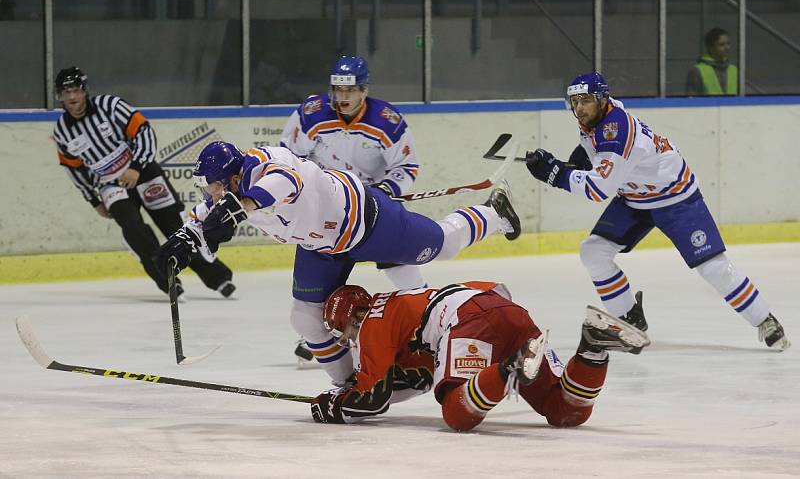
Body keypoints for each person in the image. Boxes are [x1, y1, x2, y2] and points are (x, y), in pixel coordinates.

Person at [156, 141, 522, 386]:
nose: (213, 195)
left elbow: (286, 182)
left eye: (217, 187)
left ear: (235, 177)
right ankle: (348, 384)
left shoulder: (270, 165)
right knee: (304, 318)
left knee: (443, 244)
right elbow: (204, 215)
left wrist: (243, 206)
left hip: (369, 223)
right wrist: (185, 239)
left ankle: (493, 214)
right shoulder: (229, 192)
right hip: (321, 247)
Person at [524, 71, 790, 351]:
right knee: (593, 251)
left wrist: (556, 174)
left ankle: (765, 319)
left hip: (676, 198)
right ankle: (630, 320)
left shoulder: (617, 130)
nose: (579, 108)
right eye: (574, 101)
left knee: (713, 268)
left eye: (586, 100)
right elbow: (595, 151)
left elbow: (599, 189)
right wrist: (573, 163)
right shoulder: (597, 115)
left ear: (602, 99)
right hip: (635, 196)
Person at [309, 281, 650, 430]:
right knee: (564, 412)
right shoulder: (397, 308)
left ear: (354, 317)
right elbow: (421, 376)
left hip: (468, 318)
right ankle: (593, 348)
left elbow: (373, 399)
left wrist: (333, 407)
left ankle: (510, 366)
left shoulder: (372, 323)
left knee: (457, 412)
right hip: (505, 311)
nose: (351, 341)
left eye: (346, 333)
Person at [280, 55, 427, 361]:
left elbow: (407, 166)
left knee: (398, 262)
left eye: (350, 90)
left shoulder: (387, 121)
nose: (343, 97)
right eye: (337, 89)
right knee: (324, 274)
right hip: (327, 209)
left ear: (364, 90)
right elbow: (287, 159)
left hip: (372, 208)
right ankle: (320, 337)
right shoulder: (310, 114)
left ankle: (427, 320)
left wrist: (386, 190)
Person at [51, 66, 235, 298]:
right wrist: (93, 200)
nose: (71, 97)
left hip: (143, 171)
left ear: (84, 90)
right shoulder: (62, 131)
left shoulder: (111, 105)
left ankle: (217, 277)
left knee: (174, 226)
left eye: (75, 90)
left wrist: (136, 167)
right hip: (110, 185)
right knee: (134, 230)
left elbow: (144, 131)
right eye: (65, 93)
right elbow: (74, 169)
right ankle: (168, 280)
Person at [686, 28, 738, 96]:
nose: (727, 47)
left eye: (728, 43)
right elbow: (691, 101)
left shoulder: (734, 70)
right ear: (710, 47)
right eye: (721, 44)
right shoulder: (697, 71)